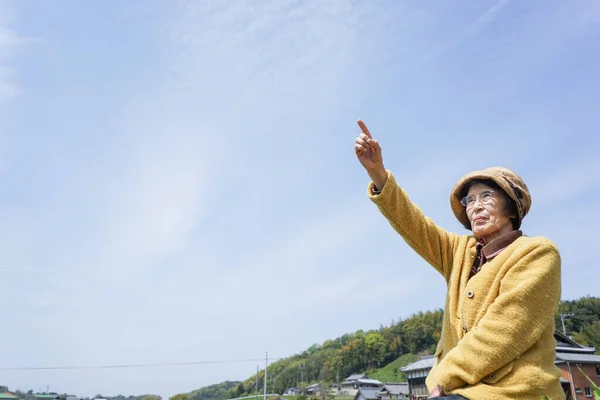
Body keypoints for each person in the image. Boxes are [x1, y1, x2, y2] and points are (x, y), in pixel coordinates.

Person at [354, 120, 564, 400]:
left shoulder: (537, 253)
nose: (475, 205)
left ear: (512, 207)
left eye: (486, 196)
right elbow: (415, 226)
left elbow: (504, 330)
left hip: (514, 391)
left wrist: (443, 377)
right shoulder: (460, 252)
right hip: (460, 391)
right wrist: (379, 174)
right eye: (469, 200)